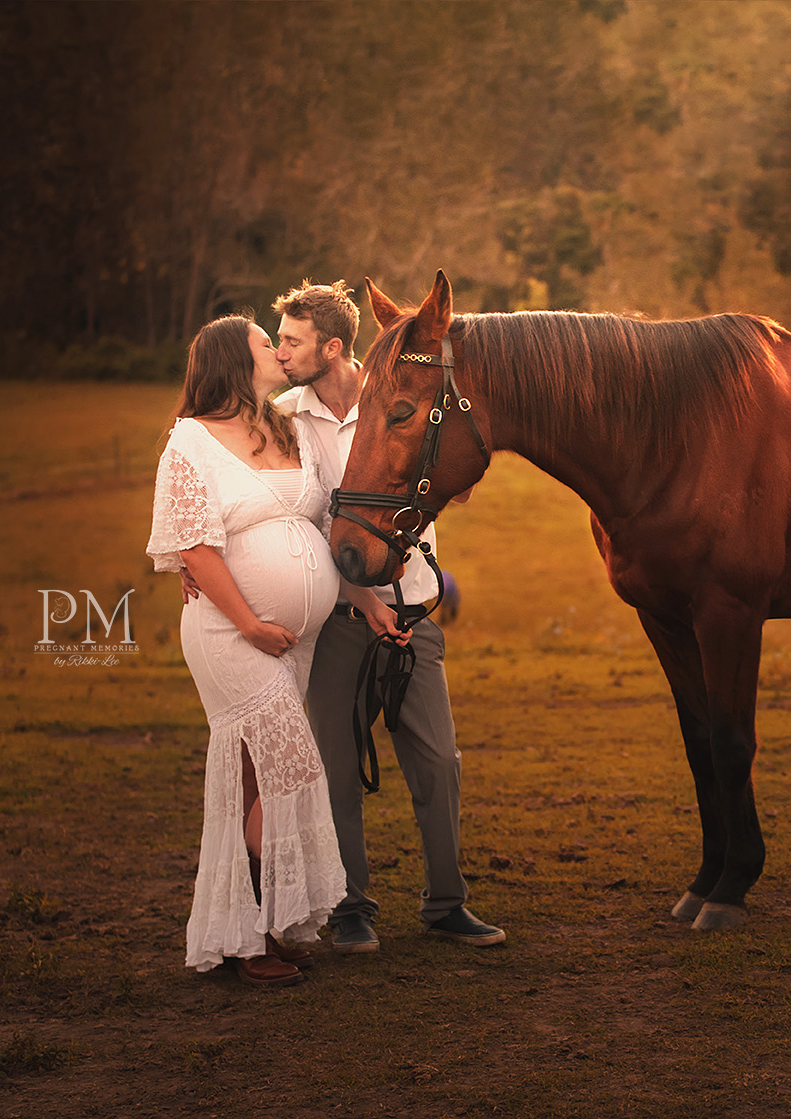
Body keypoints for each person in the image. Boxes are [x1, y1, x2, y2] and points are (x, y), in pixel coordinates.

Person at [270, 278, 504, 950]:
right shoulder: (285, 418)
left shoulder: (398, 398)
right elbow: (302, 523)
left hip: (413, 614)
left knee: (438, 761)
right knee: (337, 768)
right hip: (339, 620)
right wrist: (363, 600)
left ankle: (445, 901)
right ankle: (349, 904)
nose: (282, 352)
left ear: (333, 346)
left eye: (292, 339)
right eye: (278, 340)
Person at [146, 313, 346, 987]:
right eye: (268, 342)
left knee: (254, 785)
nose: (279, 351)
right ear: (235, 359)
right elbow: (195, 548)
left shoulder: (285, 424)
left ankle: (245, 933)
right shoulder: (191, 442)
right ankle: (260, 929)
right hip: (232, 636)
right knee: (291, 770)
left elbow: (319, 517)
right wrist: (253, 625)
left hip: (295, 640)